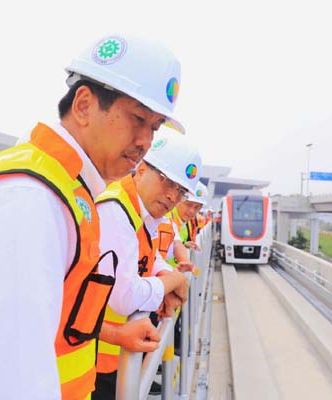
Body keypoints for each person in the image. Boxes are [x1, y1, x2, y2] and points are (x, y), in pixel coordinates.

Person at [0, 33, 183, 400]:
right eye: (137, 119)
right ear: (83, 105)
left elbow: (58, 318)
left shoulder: (70, 191)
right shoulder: (29, 199)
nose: (145, 141)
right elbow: (10, 383)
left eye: (154, 128)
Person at [93, 128, 202, 399]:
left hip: (115, 352)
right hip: (96, 356)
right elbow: (125, 298)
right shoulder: (116, 210)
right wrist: (173, 281)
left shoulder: (141, 212)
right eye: (167, 182)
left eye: (180, 191)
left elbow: (149, 257)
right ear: (141, 170)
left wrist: (165, 274)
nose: (172, 197)